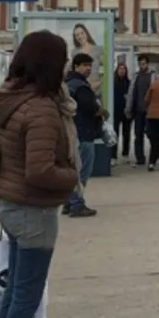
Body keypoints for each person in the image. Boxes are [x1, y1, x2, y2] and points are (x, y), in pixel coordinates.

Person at [0, 30, 78, 318]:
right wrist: (72, 177)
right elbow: (40, 171)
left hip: (11, 205)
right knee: (25, 294)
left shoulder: (13, 99)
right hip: (32, 209)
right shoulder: (40, 108)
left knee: (15, 293)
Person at [64, 52, 104, 218]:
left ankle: (69, 202)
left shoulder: (69, 83)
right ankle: (76, 203)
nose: (88, 69)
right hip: (83, 132)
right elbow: (90, 107)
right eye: (85, 65)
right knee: (83, 170)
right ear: (76, 67)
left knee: (74, 169)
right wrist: (101, 111)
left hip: (74, 132)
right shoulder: (80, 86)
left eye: (90, 65)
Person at [124, 54, 159, 166]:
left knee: (151, 134)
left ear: (147, 64)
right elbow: (130, 93)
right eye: (140, 64)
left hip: (150, 111)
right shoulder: (136, 76)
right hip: (138, 111)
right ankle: (140, 157)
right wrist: (128, 108)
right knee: (138, 135)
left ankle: (153, 158)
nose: (141, 66)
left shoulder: (153, 76)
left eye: (143, 64)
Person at [111, 63, 132, 165]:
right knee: (115, 134)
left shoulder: (129, 83)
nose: (122, 71)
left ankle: (125, 154)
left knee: (126, 133)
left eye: (124, 69)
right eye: (120, 69)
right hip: (115, 111)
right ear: (117, 70)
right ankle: (113, 156)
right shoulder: (113, 82)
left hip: (126, 111)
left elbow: (132, 96)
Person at [71, 23, 101, 91]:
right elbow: (74, 71)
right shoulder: (74, 52)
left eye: (82, 33)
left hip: (97, 90)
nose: (80, 36)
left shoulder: (98, 50)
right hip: (81, 89)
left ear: (86, 33)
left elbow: (107, 70)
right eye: (77, 35)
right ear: (75, 37)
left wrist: (99, 83)